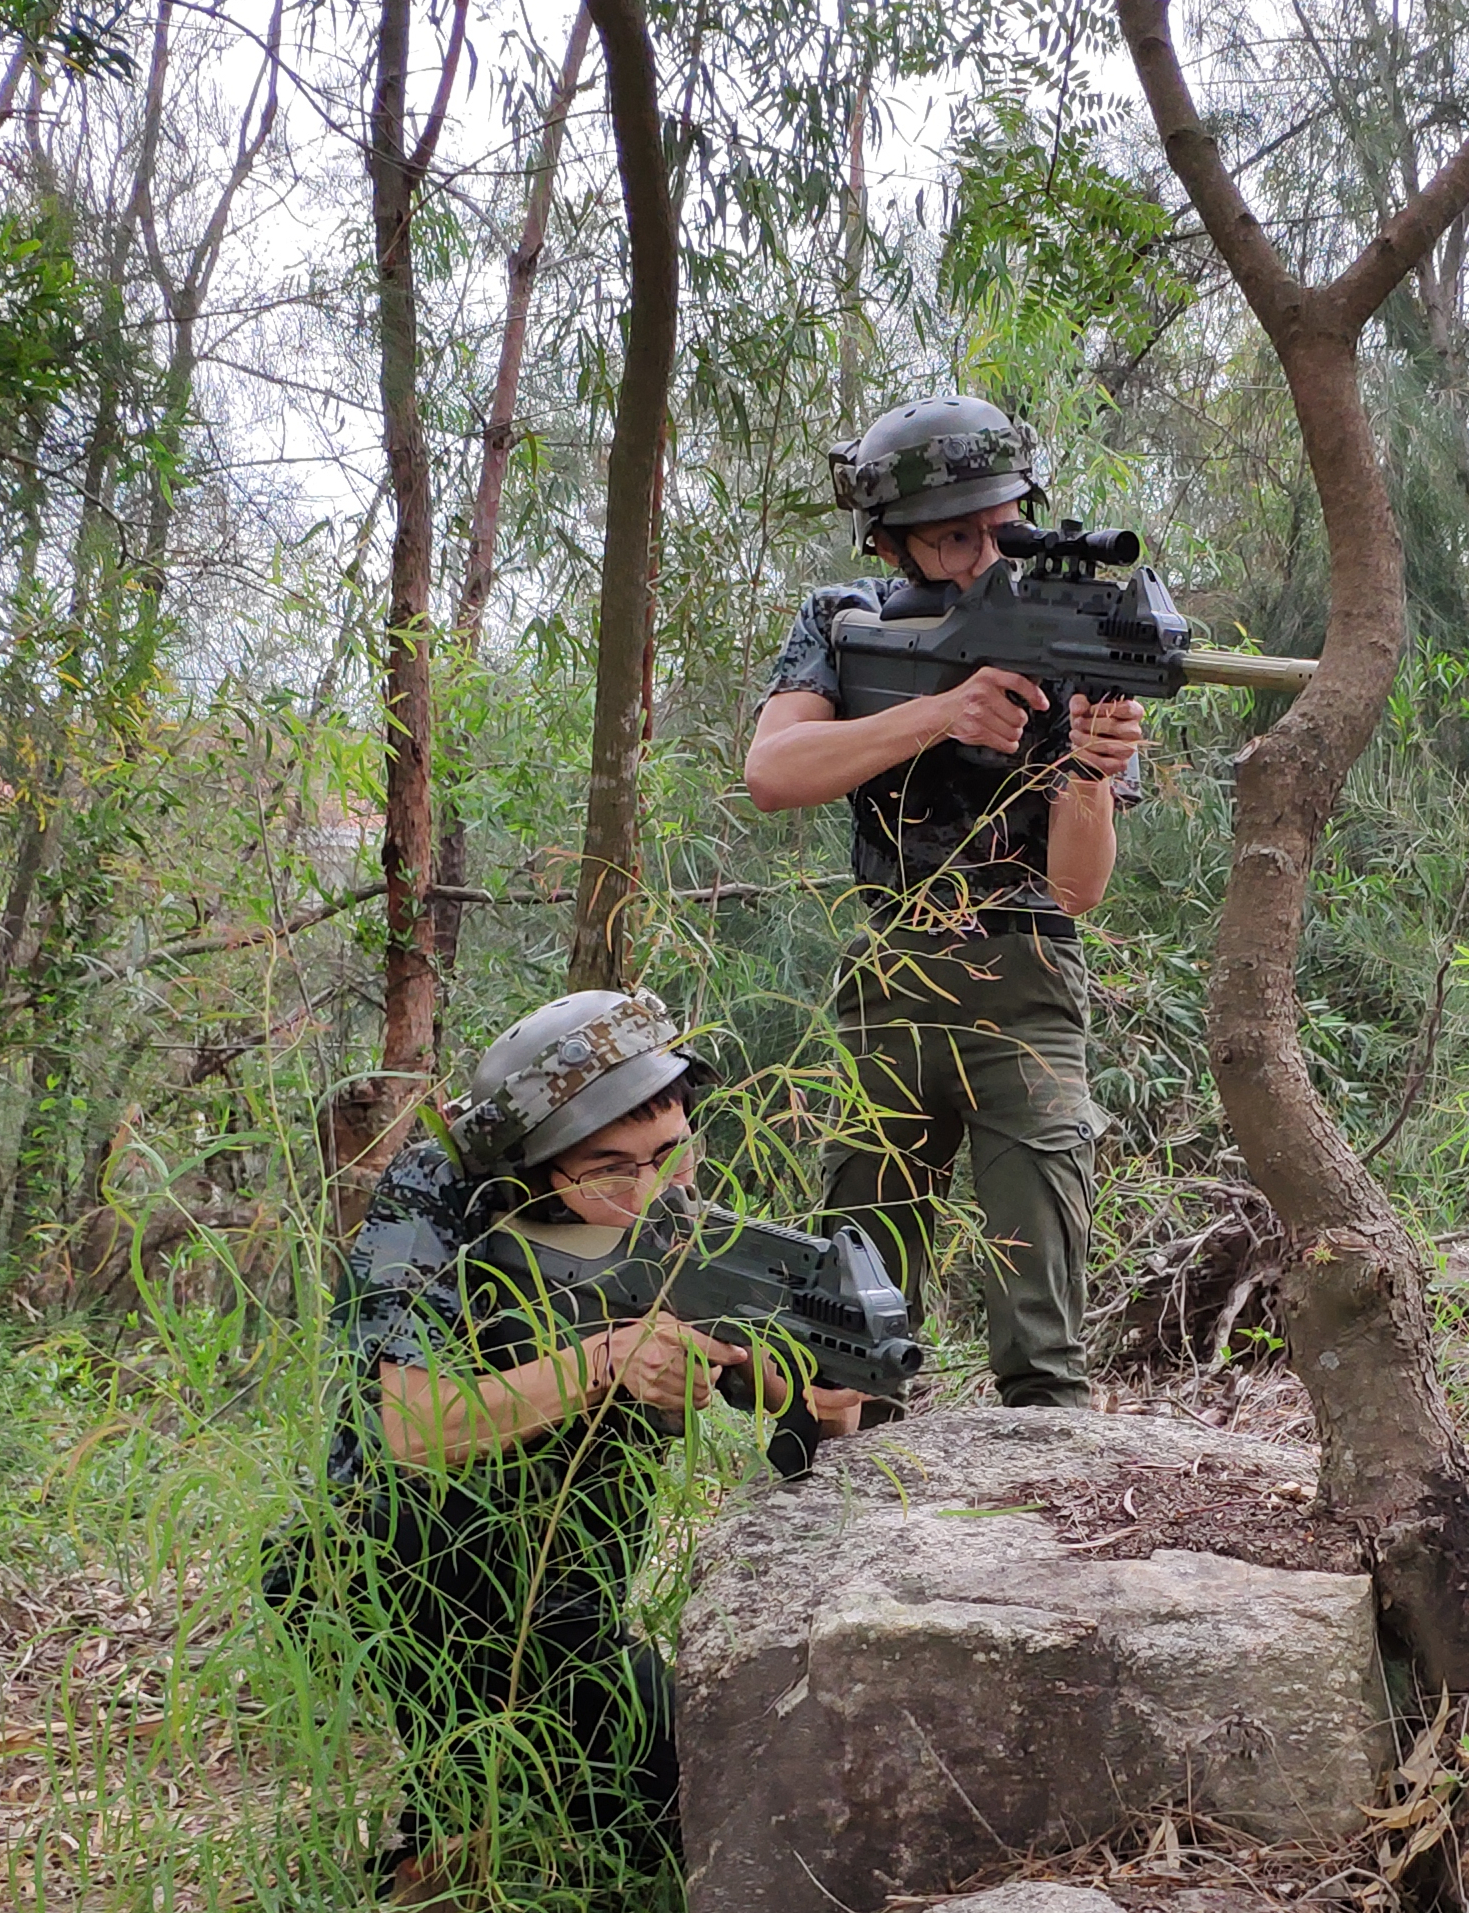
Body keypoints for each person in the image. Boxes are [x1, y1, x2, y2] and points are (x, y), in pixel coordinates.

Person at [320, 987, 862, 1903]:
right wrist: (609, 1358)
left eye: (669, 1155)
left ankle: (487, 1792)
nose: (647, 1192)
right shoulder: (432, 1200)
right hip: (407, 1552)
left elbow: (808, 1394)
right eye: (607, 1167)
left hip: (577, 1588)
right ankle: (454, 1797)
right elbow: (409, 1429)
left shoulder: (668, 1197)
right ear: (531, 1164)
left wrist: (803, 1386)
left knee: (694, 1822)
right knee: (367, 1550)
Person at [742, 393, 1146, 1411]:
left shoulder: (1079, 634)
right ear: (891, 543)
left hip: (1026, 975)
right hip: (891, 970)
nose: (981, 554)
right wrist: (940, 712)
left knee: (1042, 1325)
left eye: (999, 526)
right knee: (854, 1310)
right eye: (951, 535)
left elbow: (1077, 888)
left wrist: (1091, 771)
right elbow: (774, 770)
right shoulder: (847, 621)